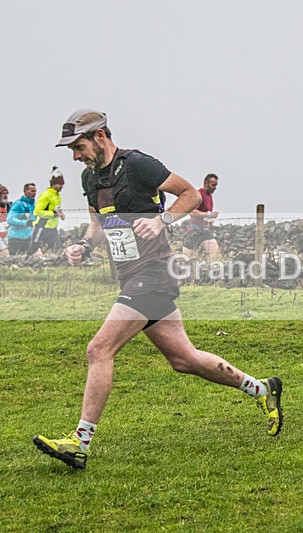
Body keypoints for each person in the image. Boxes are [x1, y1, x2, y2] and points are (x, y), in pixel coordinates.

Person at [33, 109, 284, 470]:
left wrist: (162, 219)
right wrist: (85, 247)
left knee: (98, 349)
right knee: (184, 359)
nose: (75, 155)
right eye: (71, 149)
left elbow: (190, 195)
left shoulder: (137, 165)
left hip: (153, 275)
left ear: (100, 136)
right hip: (131, 276)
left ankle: (79, 442)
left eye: (79, 145)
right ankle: (262, 389)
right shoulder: (91, 178)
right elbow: (97, 224)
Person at [182, 173, 220, 258]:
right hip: (194, 231)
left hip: (205, 231)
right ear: (206, 183)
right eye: (213, 185)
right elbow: (191, 211)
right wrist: (209, 215)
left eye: (216, 185)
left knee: (214, 253)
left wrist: (209, 220)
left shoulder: (209, 195)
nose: (215, 188)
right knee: (188, 260)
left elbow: (203, 212)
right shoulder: (198, 195)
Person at [31, 168, 66, 254]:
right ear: (53, 184)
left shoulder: (58, 196)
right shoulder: (45, 196)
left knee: (57, 251)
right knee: (33, 251)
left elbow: (56, 210)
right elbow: (37, 212)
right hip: (42, 228)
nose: (62, 186)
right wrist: (53, 214)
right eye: (60, 184)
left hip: (53, 229)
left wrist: (61, 215)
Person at [6, 183, 38, 256]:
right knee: (14, 262)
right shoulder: (18, 204)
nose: (34, 193)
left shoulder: (34, 205)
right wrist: (25, 223)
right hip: (16, 239)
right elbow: (10, 219)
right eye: (32, 191)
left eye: (35, 191)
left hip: (28, 238)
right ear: (26, 191)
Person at [0, 184, 10, 258]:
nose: (5, 195)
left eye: (6, 193)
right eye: (3, 193)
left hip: (7, 236)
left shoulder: (9, 206)